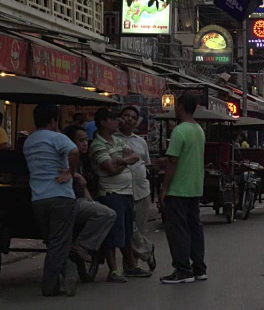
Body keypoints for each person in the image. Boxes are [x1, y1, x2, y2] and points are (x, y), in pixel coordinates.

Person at [23, 104, 79, 297]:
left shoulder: (29, 141)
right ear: (53, 121)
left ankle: (64, 271)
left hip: (38, 197)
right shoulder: (57, 137)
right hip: (60, 195)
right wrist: (71, 172)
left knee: (52, 241)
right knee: (58, 243)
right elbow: (74, 151)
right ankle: (50, 285)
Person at [89, 108, 152, 283]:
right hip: (111, 193)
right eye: (113, 119)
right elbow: (110, 168)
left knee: (126, 231)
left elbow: (135, 157)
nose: (117, 122)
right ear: (103, 122)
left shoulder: (117, 140)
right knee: (113, 232)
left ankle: (131, 265)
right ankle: (114, 270)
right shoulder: (98, 145)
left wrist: (123, 161)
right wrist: (125, 162)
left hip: (128, 192)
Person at [159, 93, 208, 284]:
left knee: (178, 230)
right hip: (195, 187)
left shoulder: (179, 131)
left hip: (178, 188)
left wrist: (164, 188)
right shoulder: (199, 130)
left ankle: (182, 269)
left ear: (180, 106)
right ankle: (199, 268)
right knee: (195, 228)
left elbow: (173, 162)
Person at [63, 125, 116, 265]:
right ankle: (82, 245)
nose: (85, 143)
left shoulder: (82, 160)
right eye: (81, 140)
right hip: (69, 202)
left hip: (81, 200)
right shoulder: (67, 158)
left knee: (105, 212)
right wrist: (76, 175)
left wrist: (92, 202)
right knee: (108, 214)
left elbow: (84, 186)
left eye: (86, 139)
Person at [117, 106, 157, 271]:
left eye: (133, 117)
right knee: (127, 229)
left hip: (141, 191)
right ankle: (147, 251)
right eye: (126, 116)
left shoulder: (140, 142)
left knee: (138, 229)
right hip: (121, 191)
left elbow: (146, 164)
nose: (129, 119)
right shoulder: (112, 139)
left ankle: (132, 264)